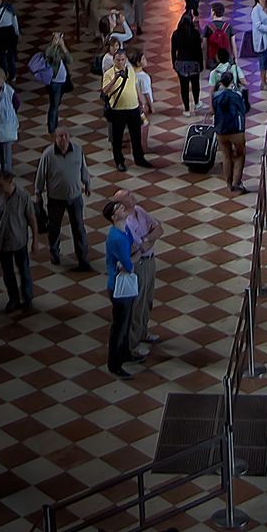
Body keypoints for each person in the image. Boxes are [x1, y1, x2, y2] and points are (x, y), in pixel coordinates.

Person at [34, 126, 93, 270]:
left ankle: (83, 258)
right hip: (55, 199)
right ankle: (54, 254)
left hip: (75, 197)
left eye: (66, 135)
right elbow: (41, 175)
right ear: (56, 138)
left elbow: (83, 169)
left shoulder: (78, 150)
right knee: (54, 228)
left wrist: (87, 183)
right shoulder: (48, 154)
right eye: (61, 136)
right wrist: (38, 193)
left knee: (79, 227)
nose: (64, 139)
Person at [114, 190, 164, 357]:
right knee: (138, 304)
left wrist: (148, 238)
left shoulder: (140, 211)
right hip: (140, 265)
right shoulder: (126, 224)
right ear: (122, 204)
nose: (132, 194)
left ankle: (143, 333)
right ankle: (133, 344)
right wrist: (150, 238)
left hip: (150, 261)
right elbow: (142, 248)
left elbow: (159, 228)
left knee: (148, 299)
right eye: (128, 195)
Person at [102, 200, 143, 380]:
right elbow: (129, 264)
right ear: (113, 217)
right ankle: (114, 363)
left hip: (125, 283)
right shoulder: (116, 238)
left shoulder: (124, 230)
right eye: (118, 208)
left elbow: (136, 249)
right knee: (119, 326)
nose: (122, 208)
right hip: (118, 287)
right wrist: (131, 259)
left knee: (126, 322)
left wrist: (131, 258)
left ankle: (125, 354)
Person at [0, 170, 38, 312]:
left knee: (24, 272)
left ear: (10, 182)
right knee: (8, 273)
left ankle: (28, 299)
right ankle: (13, 299)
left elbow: (32, 219)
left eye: (1, 184)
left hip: (19, 241)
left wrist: (35, 240)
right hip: (2, 243)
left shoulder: (23, 196)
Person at [102, 50, 153, 172]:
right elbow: (105, 90)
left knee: (136, 136)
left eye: (123, 59)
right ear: (114, 60)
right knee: (117, 138)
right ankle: (119, 161)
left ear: (126, 60)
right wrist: (115, 78)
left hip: (133, 109)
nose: (120, 62)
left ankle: (139, 159)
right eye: (118, 60)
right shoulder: (109, 74)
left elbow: (136, 87)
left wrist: (141, 102)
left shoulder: (130, 70)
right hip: (118, 111)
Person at [212, 72, 250, 194]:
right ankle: (236, 182)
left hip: (221, 131)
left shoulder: (215, 96)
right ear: (232, 81)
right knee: (240, 155)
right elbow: (244, 110)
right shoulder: (236, 96)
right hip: (236, 130)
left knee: (226, 156)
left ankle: (228, 184)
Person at [171, 13, 204, 117]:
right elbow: (199, 51)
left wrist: (174, 63)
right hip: (194, 63)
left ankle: (186, 109)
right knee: (195, 84)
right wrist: (201, 64)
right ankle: (197, 103)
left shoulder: (176, 34)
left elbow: (173, 51)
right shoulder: (195, 34)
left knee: (184, 87)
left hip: (181, 63)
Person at [43, 31, 73, 135]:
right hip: (54, 82)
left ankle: (54, 124)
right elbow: (49, 54)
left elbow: (69, 59)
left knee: (57, 103)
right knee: (54, 105)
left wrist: (63, 46)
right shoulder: (50, 50)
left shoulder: (60, 50)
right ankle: (52, 128)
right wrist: (54, 43)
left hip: (63, 81)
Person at [203, 2, 238, 70]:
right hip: (226, 57)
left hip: (213, 58)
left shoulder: (208, 27)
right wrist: (235, 57)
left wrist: (205, 59)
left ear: (213, 13)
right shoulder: (228, 27)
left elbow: (205, 45)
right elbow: (233, 43)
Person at [131, 50, 153, 152]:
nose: (146, 60)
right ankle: (143, 147)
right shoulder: (143, 77)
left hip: (134, 104)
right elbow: (146, 93)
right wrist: (150, 106)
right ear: (138, 62)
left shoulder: (131, 73)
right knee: (144, 127)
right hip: (143, 105)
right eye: (143, 59)